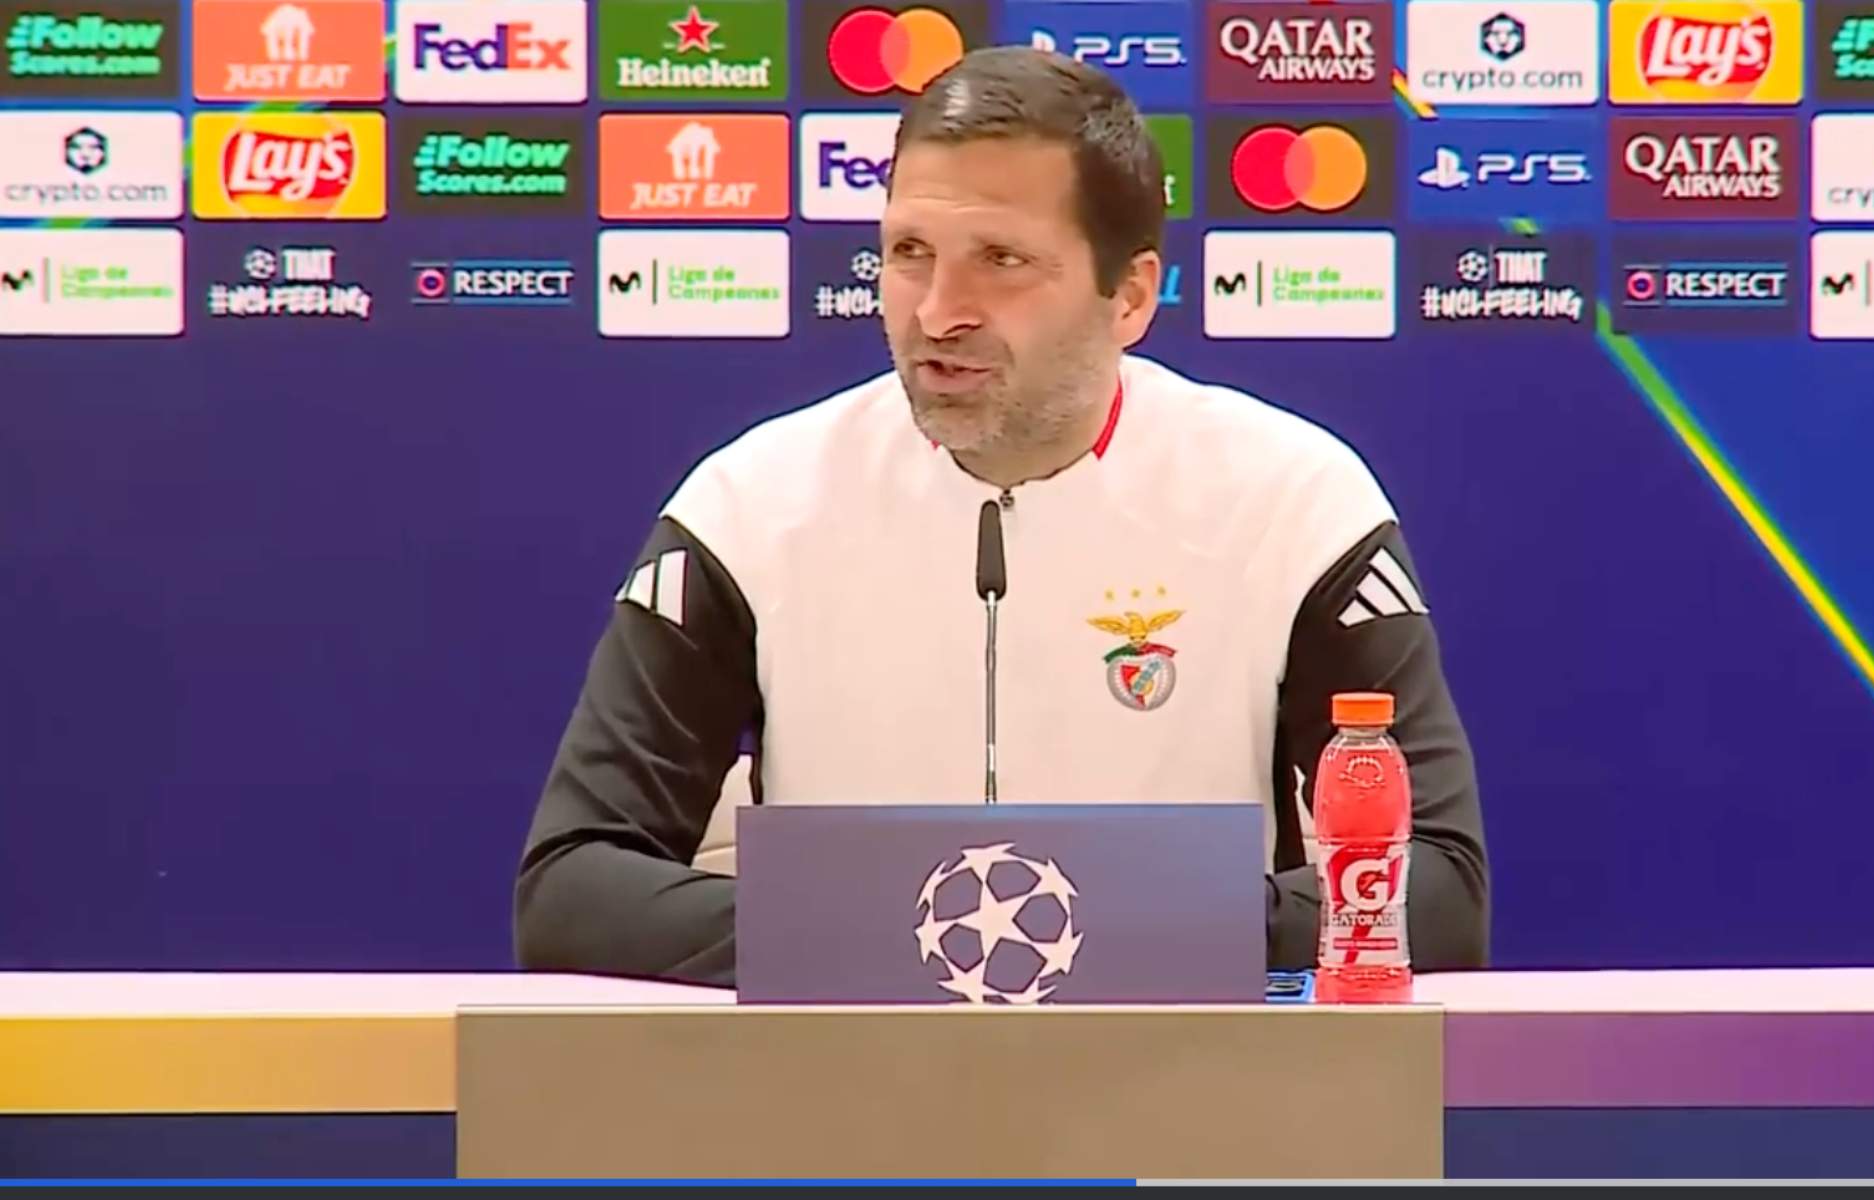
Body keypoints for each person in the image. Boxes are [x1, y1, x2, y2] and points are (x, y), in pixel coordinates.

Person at [514, 47, 1489, 985]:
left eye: (1000, 259)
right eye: (908, 252)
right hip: (843, 1109)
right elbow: (574, 884)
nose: (939, 310)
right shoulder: (752, 508)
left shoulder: (1291, 502)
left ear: (1130, 296)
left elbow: (1434, 893)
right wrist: (929, 935)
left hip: (1191, 1102)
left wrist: (1066, 934)